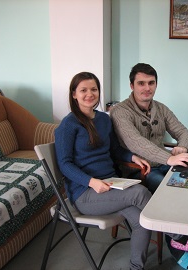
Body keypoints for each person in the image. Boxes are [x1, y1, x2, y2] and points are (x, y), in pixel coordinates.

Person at [55, 71, 152, 270]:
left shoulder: (104, 119)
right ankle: (179, 236)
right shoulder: (68, 124)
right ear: (74, 94)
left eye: (94, 89)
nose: (89, 94)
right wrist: (92, 182)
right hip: (85, 194)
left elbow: (115, 150)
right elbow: (64, 164)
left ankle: (136, 267)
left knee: (141, 221)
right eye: (83, 90)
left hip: (111, 186)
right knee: (140, 192)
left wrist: (133, 157)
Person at [110, 63, 188, 194]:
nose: (147, 88)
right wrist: (169, 159)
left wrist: (182, 147)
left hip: (165, 163)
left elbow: (184, 133)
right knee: (172, 189)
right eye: (141, 83)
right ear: (132, 86)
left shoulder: (161, 108)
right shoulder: (120, 111)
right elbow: (136, 142)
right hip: (140, 170)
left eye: (151, 83)